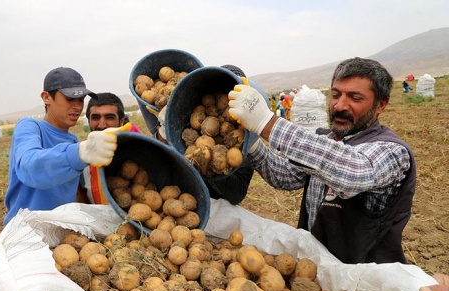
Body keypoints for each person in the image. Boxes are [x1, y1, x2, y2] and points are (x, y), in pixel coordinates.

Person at [228, 57, 416, 264]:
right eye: (335, 95)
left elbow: (353, 173)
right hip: (316, 270)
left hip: (365, 280)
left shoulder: (393, 151)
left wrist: (267, 123)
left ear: (380, 105)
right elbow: (284, 176)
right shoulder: (324, 142)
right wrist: (253, 146)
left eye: (355, 98)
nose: (340, 105)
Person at [3, 67, 129, 226]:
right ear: (46, 97)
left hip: (62, 233)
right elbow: (30, 166)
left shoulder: (72, 141)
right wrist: (80, 153)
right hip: (27, 230)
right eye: (70, 99)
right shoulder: (30, 127)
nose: (77, 106)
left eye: (81, 99)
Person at [147, 64, 258, 205]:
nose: (226, 98)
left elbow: (237, 195)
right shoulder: (187, 123)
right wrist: (163, 133)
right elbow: (155, 161)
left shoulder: (247, 144)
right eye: (222, 90)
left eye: (232, 92)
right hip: (183, 201)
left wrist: (212, 169)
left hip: (218, 209)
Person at [77, 92, 139, 204]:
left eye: (109, 117)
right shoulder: (81, 158)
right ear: (89, 122)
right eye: (95, 117)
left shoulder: (140, 149)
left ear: (121, 121)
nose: (102, 125)